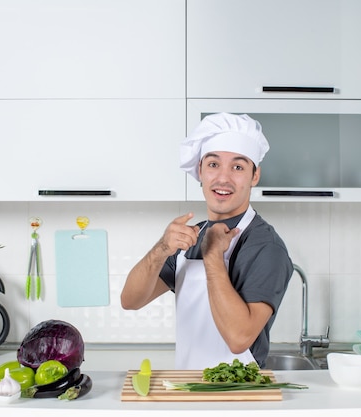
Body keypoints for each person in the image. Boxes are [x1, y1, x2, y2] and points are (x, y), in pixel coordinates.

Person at [120, 112, 293, 369]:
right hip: (189, 388)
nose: (223, 178)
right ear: (200, 170)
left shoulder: (265, 246)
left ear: (254, 176)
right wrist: (161, 249)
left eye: (238, 167)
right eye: (213, 164)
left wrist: (212, 256)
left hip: (238, 395)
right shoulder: (191, 235)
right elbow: (130, 300)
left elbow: (239, 338)